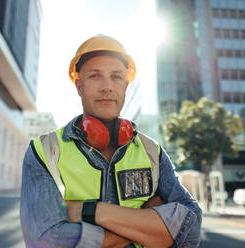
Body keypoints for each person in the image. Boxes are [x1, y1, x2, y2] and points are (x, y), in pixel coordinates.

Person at [20, 35, 202, 248]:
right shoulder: (44, 151)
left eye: (116, 77)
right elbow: (44, 241)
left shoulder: (152, 151)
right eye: (95, 76)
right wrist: (145, 222)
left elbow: (191, 226)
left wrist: (90, 211)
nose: (107, 87)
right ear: (80, 87)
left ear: (125, 86)